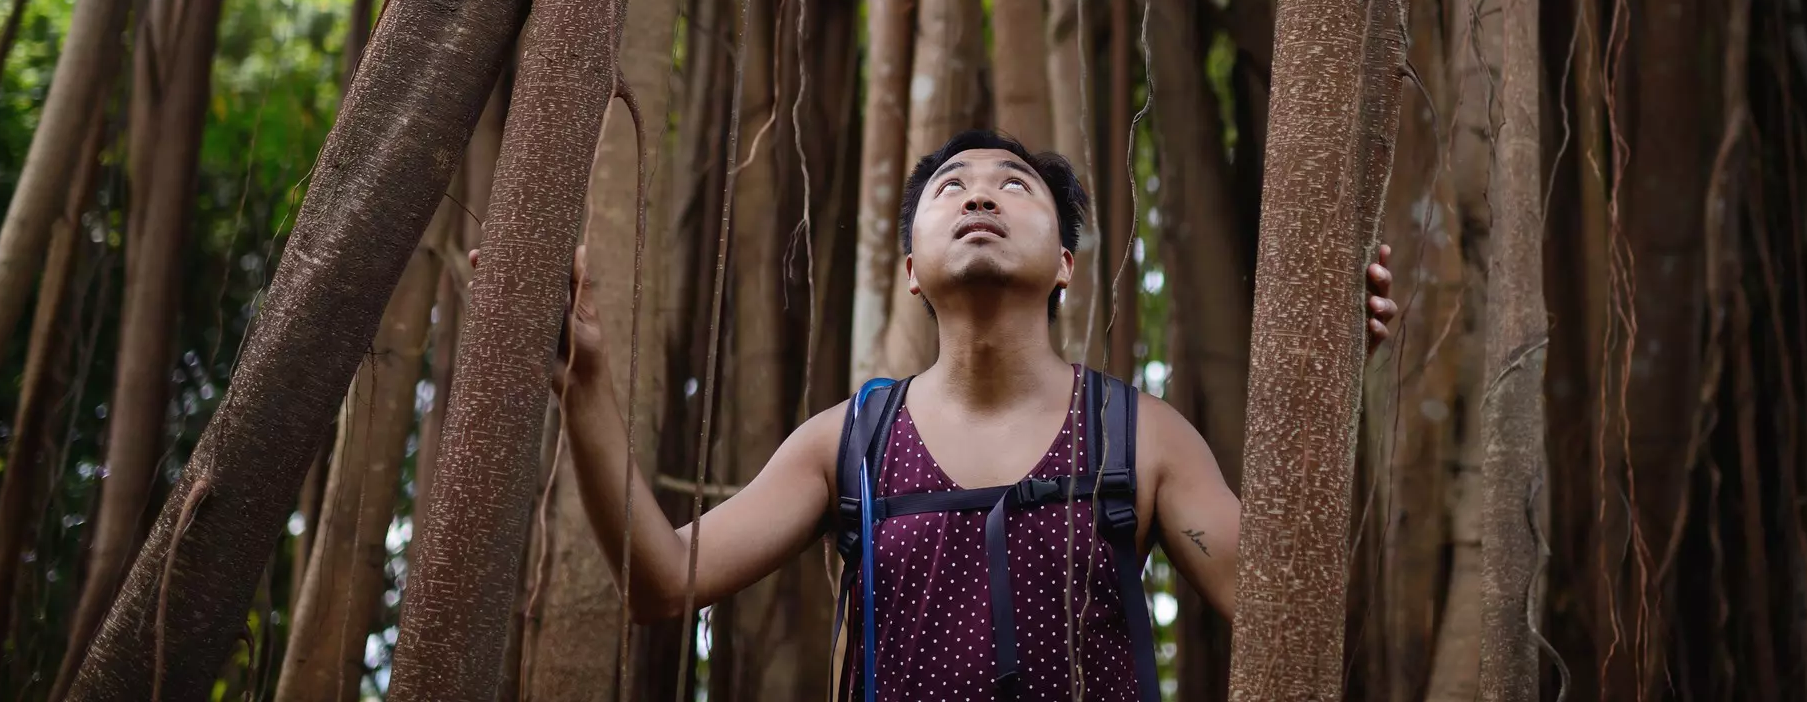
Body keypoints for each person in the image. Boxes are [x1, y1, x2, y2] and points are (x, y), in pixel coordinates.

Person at [541, 128, 1396, 699]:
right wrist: (587, 388)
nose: (980, 197)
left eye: (1014, 185)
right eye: (952, 187)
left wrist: (1325, 390)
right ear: (912, 268)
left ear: (1065, 265)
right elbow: (660, 582)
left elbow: (1275, 602)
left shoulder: (1138, 432)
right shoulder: (851, 440)